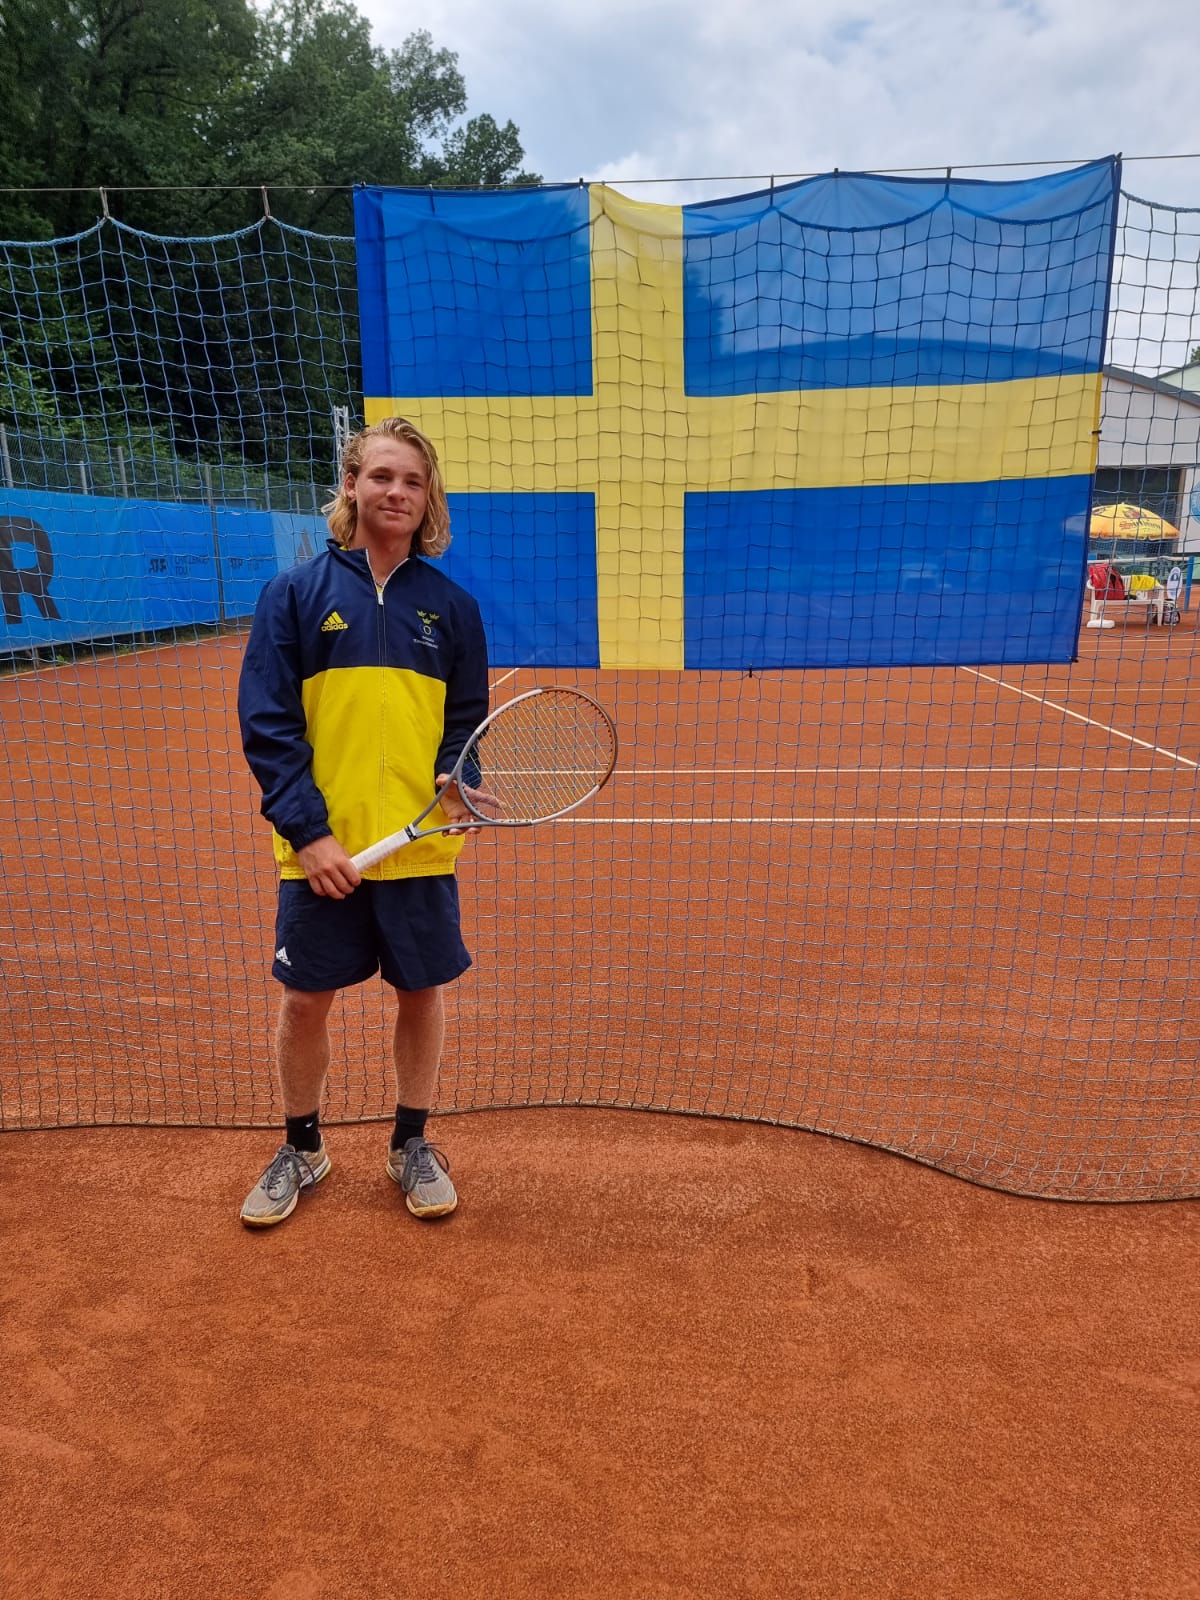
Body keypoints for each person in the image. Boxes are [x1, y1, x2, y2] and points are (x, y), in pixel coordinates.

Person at [237, 416, 490, 1229]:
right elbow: (268, 724)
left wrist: (460, 784)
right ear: (351, 485)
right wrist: (310, 834)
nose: (396, 492)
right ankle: (303, 1146)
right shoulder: (296, 595)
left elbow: (467, 723)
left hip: (417, 851)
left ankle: (411, 1143)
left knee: (420, 993)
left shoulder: (452, 609)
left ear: (428, 499)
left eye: (413, 482)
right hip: (322, 852)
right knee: (306, 1000)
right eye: (382, 476)